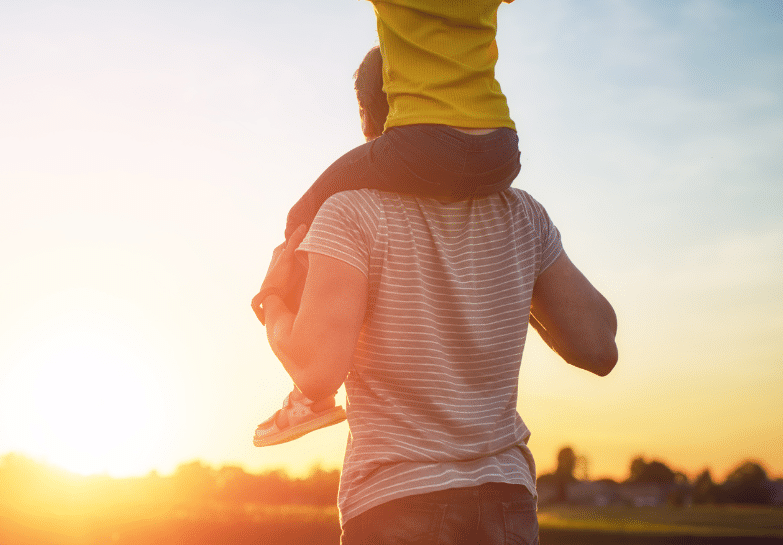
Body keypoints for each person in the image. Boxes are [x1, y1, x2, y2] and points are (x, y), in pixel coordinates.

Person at [126, 0, 715, 441]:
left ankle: (308, 391)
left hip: (420, 147)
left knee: (306, 210)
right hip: (498, 153)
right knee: (390, 193)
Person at [256, 45, 618, 544]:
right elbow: (599, 346)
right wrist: (515, 280)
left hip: (396, 503)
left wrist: (272, 297)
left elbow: (317, 374)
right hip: (505, 502)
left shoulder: (350, 213)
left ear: (367, 116)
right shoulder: (522, 215)